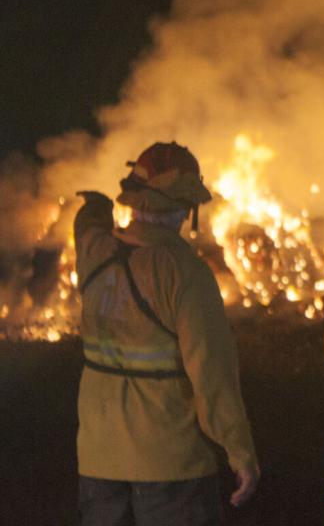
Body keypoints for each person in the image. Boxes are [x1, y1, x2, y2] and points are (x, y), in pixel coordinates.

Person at [75, 141, 259, 526]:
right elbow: (212, 374)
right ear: (185, 208)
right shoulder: (184, 273)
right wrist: (239, 452)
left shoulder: (94, 252)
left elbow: (87, 224)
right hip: (170, 467)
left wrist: (96, 205)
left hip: (98, 462)